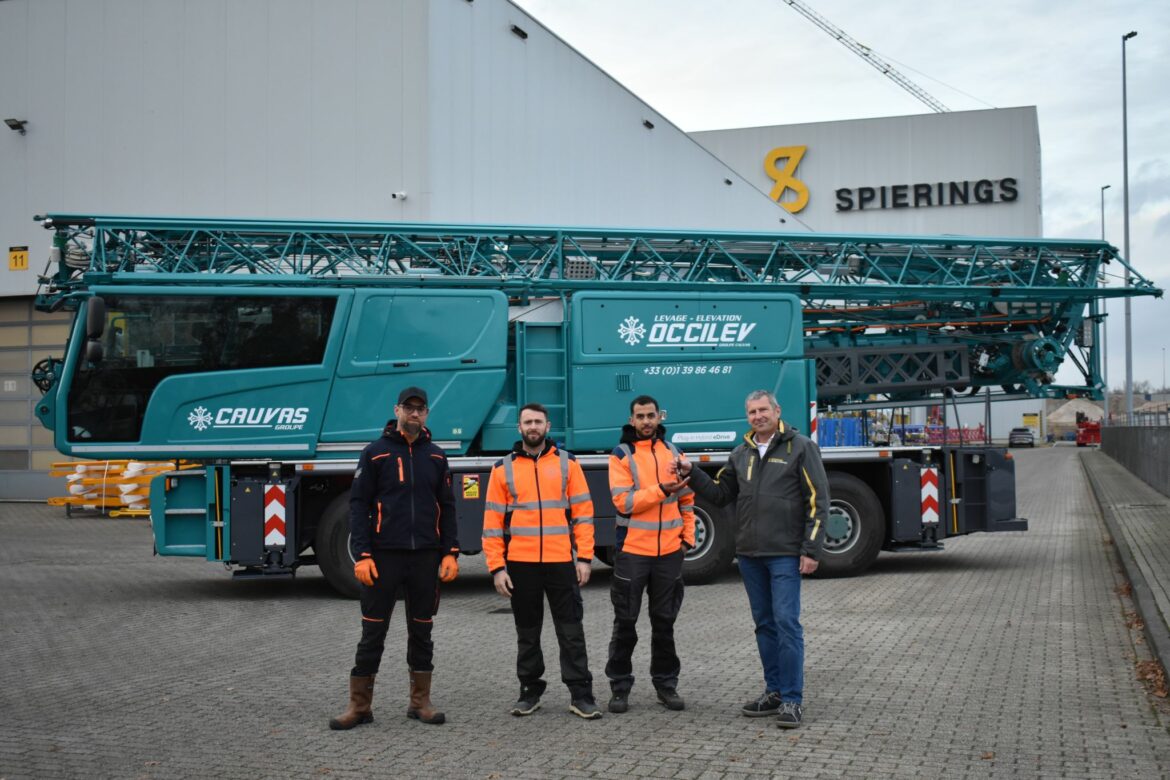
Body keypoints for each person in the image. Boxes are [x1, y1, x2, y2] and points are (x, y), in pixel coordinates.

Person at [676, 390, 828, 728]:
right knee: (765, 625)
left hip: (785, 554)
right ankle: (774, 692)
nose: (758, 416)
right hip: (749, 555)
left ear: (777, 411)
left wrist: (811, 550)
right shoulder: (740, 453)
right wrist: (692, 471)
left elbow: (818, 500)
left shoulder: (801, 447)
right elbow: (720, 494)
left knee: (787, 623)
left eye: (763, 410)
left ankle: (792, 699)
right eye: (752, 412)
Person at [329, 386, 460, 730]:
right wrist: (362, 555)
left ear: (426, 414)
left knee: (422, 632)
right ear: (397, 410)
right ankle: (359, 706)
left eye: (420, 409)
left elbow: (447, 507)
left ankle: (420, 703)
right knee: (373, 631)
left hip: (425, 559)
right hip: (383, 558)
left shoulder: (436, 456)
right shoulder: (375, 453)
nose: (414, 413)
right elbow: (358, 506)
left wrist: (450, 552)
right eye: (408, 407)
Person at [482, 403, 602, 720]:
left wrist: (584, 558)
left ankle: (581, 695)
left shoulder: (567, 464)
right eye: (527, 422)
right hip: (521, 565)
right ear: (519, 428)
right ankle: (529, 692)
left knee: (571, 632)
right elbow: (492, 524)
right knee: (527, 634)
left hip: (561, 561)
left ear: (548, 426)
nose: (533, 427)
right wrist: (497, 567)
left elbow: (584, 514)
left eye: (538, 421)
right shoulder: (502, 469)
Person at [605, 394, 695, 713]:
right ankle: (620, 687)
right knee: (625, 623)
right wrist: (661, 490)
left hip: (669, 553)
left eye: (651, 415)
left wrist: (687, 539)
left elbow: (687, 500)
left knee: (664, 624)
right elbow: (624, 502)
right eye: (640, 416)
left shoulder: (674, 452)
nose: (646, 421)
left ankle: (666, 685)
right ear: (632, 420)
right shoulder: (622, 455)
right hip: (633, 552)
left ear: (659, 417)